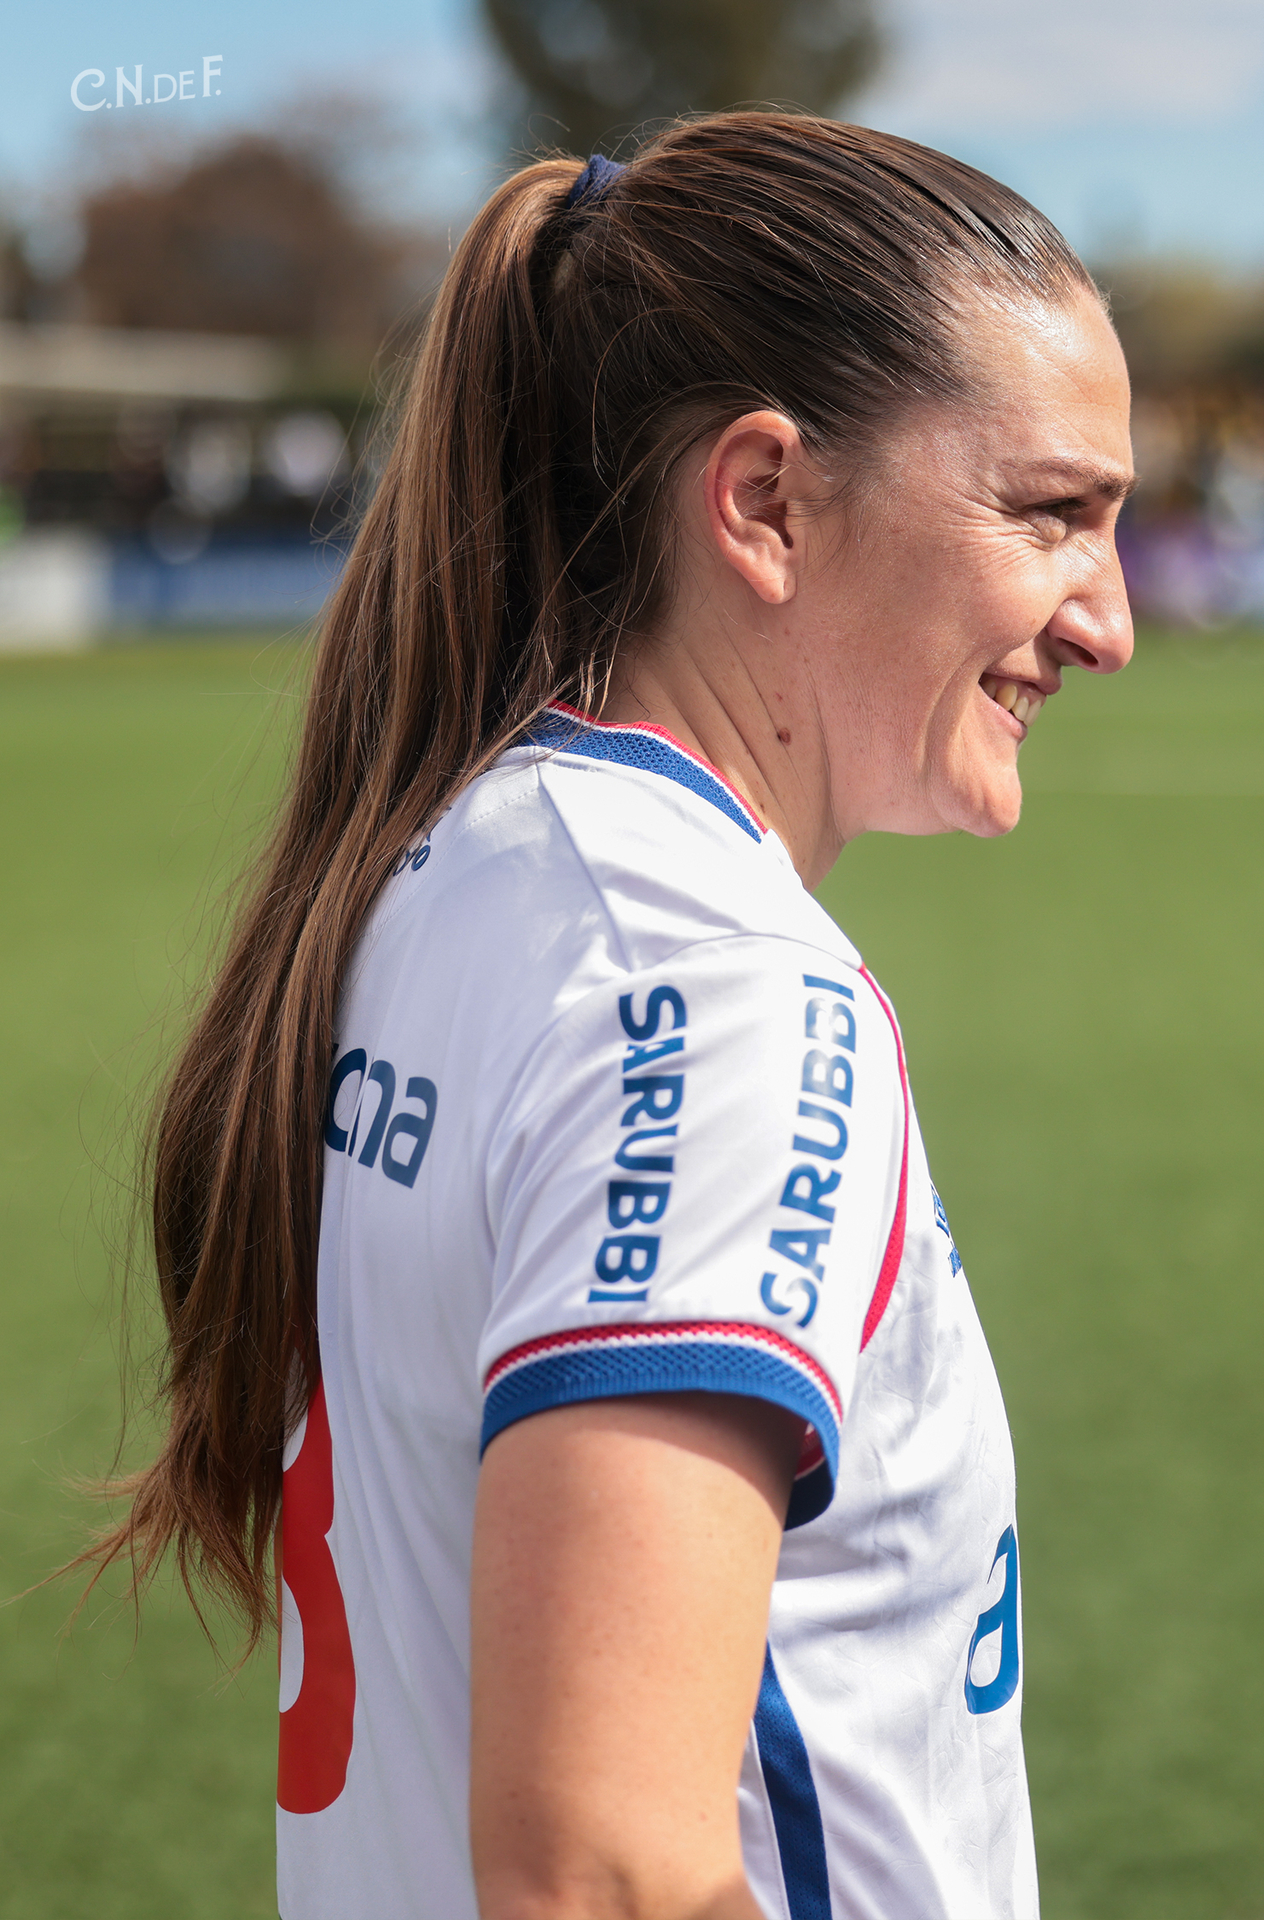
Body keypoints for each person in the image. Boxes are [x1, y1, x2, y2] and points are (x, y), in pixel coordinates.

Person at [93, 113, 1133, 1919]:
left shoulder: (463, 870)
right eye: (1053, 513)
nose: (1111, 618)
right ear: (765, 502)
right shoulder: (714, 992)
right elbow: (601, 1873)